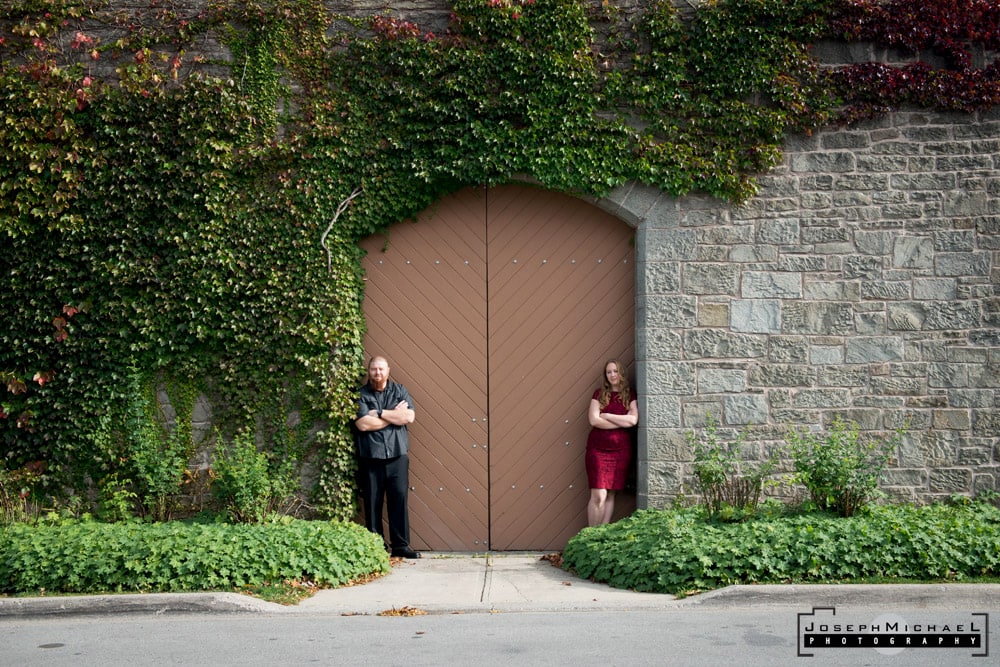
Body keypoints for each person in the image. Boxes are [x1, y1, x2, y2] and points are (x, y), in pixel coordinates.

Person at [355, 355, 421, 559]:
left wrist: (380, 413)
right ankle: (376, 546)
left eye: (381, 369)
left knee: (399, 500)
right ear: (369, 371)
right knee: (372, 503)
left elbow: (408, 416)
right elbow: (363, 424)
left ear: (388, 370)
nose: (378, 373)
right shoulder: (361, 395)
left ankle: (401, 546)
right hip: (370, 458)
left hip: (397, 456)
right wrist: (393, 417)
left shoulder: (399, 391)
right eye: (374, 369)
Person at [585, 359, 639, 527]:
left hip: (620, 451)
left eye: (615, 371)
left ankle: (603, 532)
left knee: (610, 494)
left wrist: (607, 416)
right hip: (597, 449)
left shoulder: (630, 395)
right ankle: (591, 535)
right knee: (599, 495)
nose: (612, 375)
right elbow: (594, 420)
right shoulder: (599, 394)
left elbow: (633, 420)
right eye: (609, 372)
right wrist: (621, 421)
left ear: (621, 373)